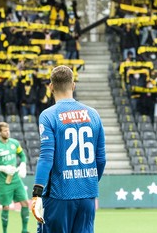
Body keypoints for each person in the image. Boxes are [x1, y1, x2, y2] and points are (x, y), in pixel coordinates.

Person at [30, 66, 106, 233]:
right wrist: (87, 181)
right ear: (73, 85)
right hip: (87, 194)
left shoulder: (48, 115)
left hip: (59, 194)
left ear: (50, 87)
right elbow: (101, 159)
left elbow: (46, 157)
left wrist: (37, 193)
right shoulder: (93, 114)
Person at [0, 122, 30, 233]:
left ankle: (24, 230)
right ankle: (5, 231)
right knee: (6, 207)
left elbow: (22, 155)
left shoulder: (14, 143)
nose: (7, 132)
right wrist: (2, 168)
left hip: (16, 179)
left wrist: (23, 165)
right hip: (4, 181)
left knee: (25, 203)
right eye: (5, 131)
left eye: (8, 130)